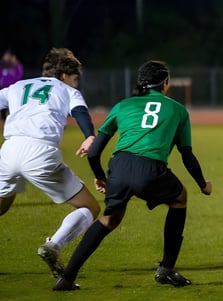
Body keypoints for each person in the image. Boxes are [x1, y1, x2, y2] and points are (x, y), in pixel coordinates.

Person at [53, 60, 212, 290]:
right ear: (165, 82)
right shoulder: (178, 110)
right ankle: (166, 268)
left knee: (109, 219)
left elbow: (94, 152)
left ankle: (66, 277)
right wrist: (202, 184)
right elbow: (186, 155)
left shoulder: (122, 106)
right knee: (180, 198)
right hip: (150, 170)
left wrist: (100, 177)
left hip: (119, 167)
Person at [0, 48, 100, 278]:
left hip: (9, 150)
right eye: (75, 80)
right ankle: (53, 246)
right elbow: (81, 113)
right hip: (40, 152)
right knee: (90, 208)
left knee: (2, 207)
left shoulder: (17, 86)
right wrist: (89, 135)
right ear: (65, 75)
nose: (75, 85)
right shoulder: (66, 90)